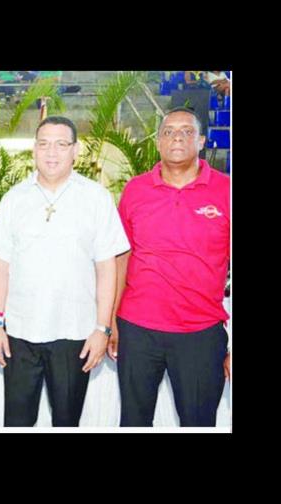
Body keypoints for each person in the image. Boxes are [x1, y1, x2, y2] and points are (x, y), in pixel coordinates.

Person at [0, 116, 130, 426]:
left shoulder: (96, 199)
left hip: (74, 333)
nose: (52, 153)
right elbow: (1, 265)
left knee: (66, 422)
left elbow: (108, 268)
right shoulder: (14, 199)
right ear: (34, 150)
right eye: (44, 144)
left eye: (61, 145)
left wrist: (102, 329)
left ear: (75, 150)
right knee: (16, 422)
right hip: (20, 334)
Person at [109, 106, 231, 427]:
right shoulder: (135, 190)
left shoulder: (226, 190)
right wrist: (112, 320)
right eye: (168, 131)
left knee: (198, 423)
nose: (176, 136)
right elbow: (121, 259)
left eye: (186, 131)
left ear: (201, 140)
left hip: (200, 334)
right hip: (137, 330)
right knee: (134, 422)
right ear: (158, 142)